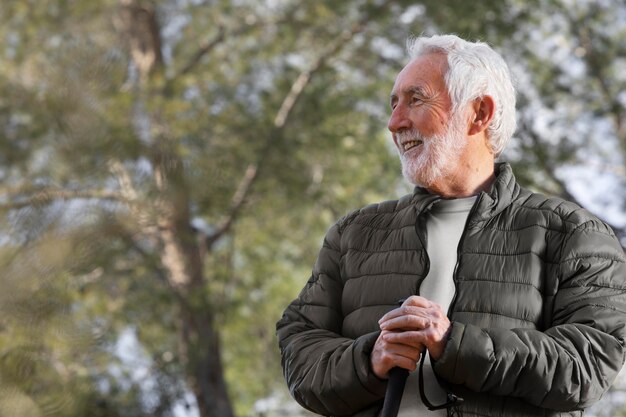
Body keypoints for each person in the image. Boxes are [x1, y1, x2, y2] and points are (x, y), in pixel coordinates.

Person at [276, 34, 626, 417]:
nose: (395, 122)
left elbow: (586, 367)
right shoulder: (354, 234)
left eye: (416, 99)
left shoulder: (574, 233)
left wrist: (454, 344)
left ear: (479, 113)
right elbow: (299, 348)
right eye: (393, 104)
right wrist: (368, 359)